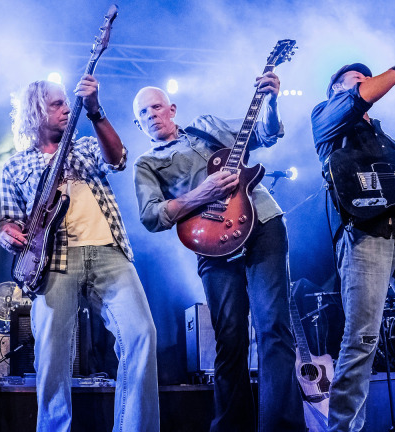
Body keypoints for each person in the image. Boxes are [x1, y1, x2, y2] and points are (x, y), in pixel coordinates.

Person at [132, 76, 305, 432]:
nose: (151, 114)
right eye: (143, 113)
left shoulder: (208, 127)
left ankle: (282, 427)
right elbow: (151, 216)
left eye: (156, 106)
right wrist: (202, 193)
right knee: (228, 339)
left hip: (262, 224)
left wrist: (270, 101)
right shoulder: (146, 163)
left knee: (274, 327)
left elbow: (265, 134)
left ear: (172, 109)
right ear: (138, 124)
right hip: (211, 243)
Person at [0, 75, 160, 431]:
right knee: (52, 358)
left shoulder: (84, 146)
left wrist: (96, 111)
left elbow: (117, 160)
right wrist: (5, 232)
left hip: (109, 252)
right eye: (57, 104)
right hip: (53, 262)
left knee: (141, 335)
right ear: (35, 112)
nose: (66, 108)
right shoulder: (14, 167)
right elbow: (8, 220)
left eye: (66, 103)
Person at [311, 55, 395, 432]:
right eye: (354, 79)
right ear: (338, 90)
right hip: (365, 235)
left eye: (365, 78)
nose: (363, 80)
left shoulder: (387, 141)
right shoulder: (325, 118)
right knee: (363, 338)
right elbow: (361, 97)